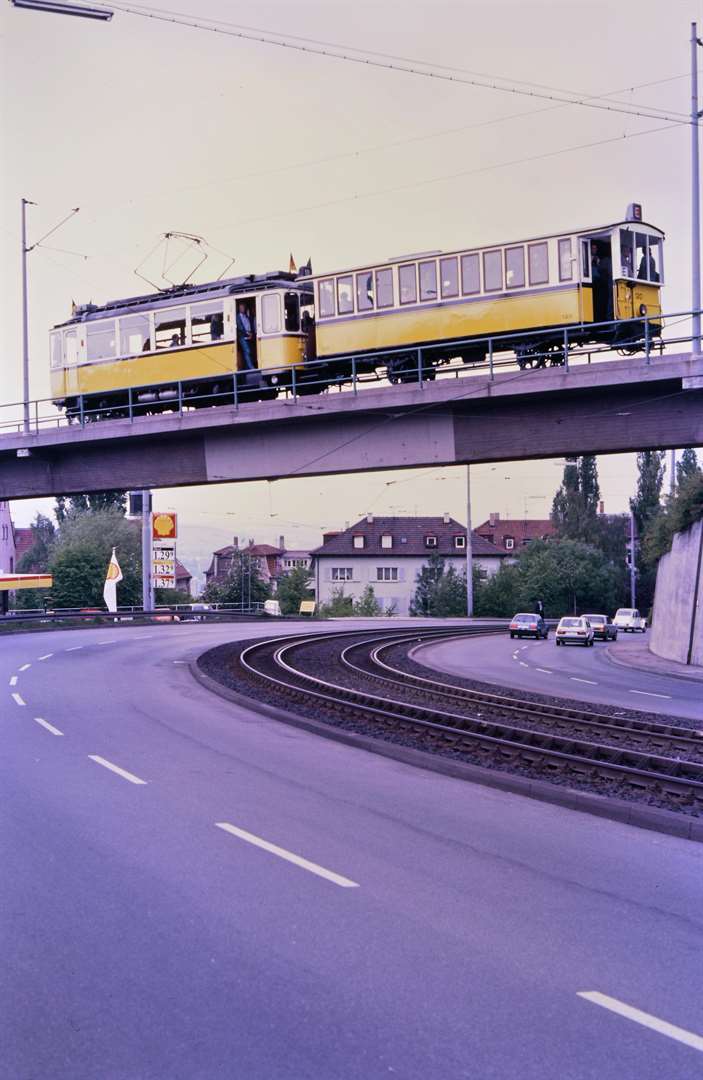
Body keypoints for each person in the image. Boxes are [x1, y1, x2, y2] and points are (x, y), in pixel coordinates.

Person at [236, 302, 255, 370]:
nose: (243, 309)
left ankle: (248, 367)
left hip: (248, 335)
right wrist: (247, 334)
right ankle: (251, 367)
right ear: (239, 308)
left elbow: (248, 325)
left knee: (250, 351)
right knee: (247, 350)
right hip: (242, 336)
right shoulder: (237, 317)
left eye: (243, 307)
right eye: (241, 307)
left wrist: (251, 333)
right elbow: (240, 327)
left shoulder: (246, 315)